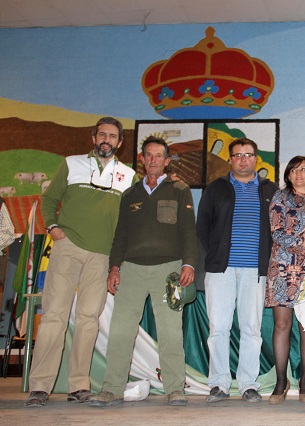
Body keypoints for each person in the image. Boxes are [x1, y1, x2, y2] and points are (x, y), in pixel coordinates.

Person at [25, 117, 137, 407]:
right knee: (54, 317)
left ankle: (79, 386)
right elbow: (49, 200)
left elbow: (132, 218)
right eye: (102, 135)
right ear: (93, 137)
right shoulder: (71, 163)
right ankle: (40, 387)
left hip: (102, 256)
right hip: (68, 247)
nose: (107, 140)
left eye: (112, 136)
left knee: (88, 320)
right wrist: (53, 227)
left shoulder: (128, 175)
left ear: (120, 142)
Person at [89, 136, 198, 407]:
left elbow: (188, 230)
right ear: (142, 159)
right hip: (132, 270)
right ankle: (112, 389)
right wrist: (114, 268)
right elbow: (120, 235)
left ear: (167, 160)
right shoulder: (130, 194)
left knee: (170, 331)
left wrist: (188, 263)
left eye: (159, 156)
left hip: (169, 269)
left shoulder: (180, 189)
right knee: (121, 331)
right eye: (148, 155)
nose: (153, 160)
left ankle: (175, 389)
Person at [197, 138, 277, 403]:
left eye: (248, 155)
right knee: (218, 327)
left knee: (251, 328)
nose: (243, 160)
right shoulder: (215, 188)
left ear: (256, 158)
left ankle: (248, 385)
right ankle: (219, 384)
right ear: (230, 159)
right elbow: (202, 227)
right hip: (221, 270)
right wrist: (217, 254)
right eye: (238, 155)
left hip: (255, 271)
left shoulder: (270, 190)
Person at [265, 156, 305, 405]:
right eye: (294, 170)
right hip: (282, 268)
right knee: (282, 325)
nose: (299, 174)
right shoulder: (280, 197)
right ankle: (281, 381)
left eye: (304, 169)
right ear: (288, 175)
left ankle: (304, 381)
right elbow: (277, 233)